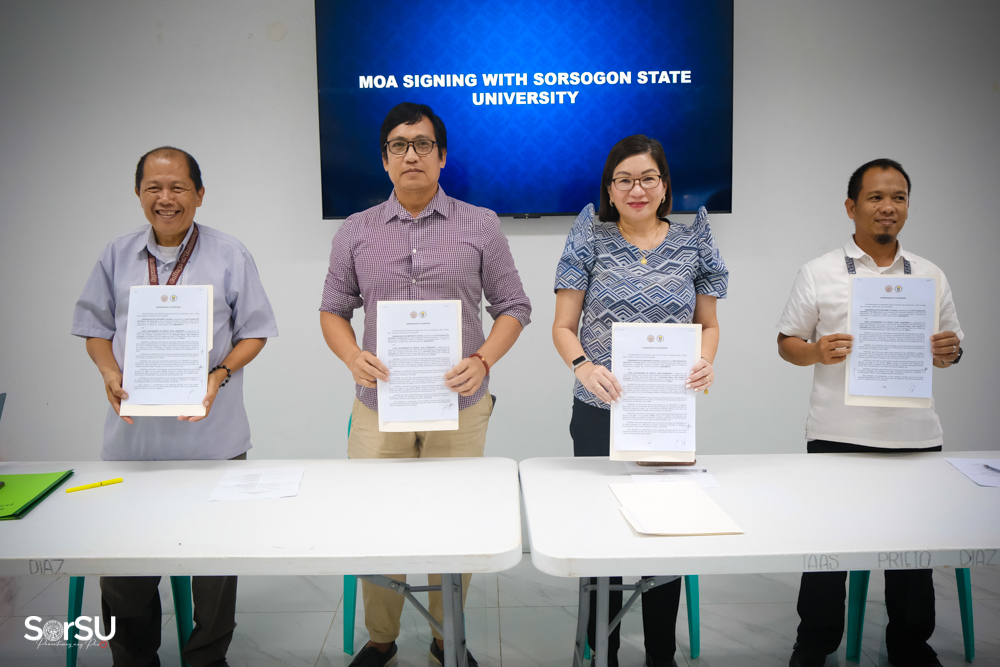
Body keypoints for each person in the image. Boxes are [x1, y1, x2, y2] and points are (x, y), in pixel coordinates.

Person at [319, 102, 531, 667]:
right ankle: (382, 638)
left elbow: (514, 306)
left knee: (454, 524)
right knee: (378, 523)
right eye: (398, 145)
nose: (410, 155)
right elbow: (332, 310)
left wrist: (483, 359)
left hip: (459, 403)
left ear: (442, 155)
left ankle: (445, 636)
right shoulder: (355, 229)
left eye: (422, 144)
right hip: (378, 404)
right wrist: (352, 357)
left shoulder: (480, 223)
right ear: (384, 159)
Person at [71, 146, 278, 667]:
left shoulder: (230, 254)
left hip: (213, 442)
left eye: (178, 187)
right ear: (138, 194)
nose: (166, 198)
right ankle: (134, 659)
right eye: (154, 188)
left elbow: (256, 331)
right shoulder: (116, 255)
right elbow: (95, 327)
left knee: (214, 573)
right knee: (125, 574)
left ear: (199, 195)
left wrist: (219, 373)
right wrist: (109, 371)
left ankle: (207, 659)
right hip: (133, 445)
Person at [776, 158, 963, 667]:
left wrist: (949, 352)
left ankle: (910, 644)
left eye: (898, 197)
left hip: (913, 435)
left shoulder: (929, 274)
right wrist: (816, 352)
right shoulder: (820, 271)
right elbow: (787, 343)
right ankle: (815, 643)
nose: (888, 207)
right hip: (838, 432)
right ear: (851, 206)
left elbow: (951, 345)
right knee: (827, 549)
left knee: (913, 552)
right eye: (876, 197)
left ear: (907, 207)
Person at [552, 135, 728, 667]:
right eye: (624, 179)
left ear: (664, 186)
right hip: (598, 411)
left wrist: (705, 360)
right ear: (609, 189)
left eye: (648, 178)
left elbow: (708, 325)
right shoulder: (590, 235)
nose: (637, 189)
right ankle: (601, 650)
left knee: (663, 535)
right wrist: (584, 367)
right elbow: (563, 326)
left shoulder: (694, 241)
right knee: (601, 534)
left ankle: (660, 654)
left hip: (665, 414)